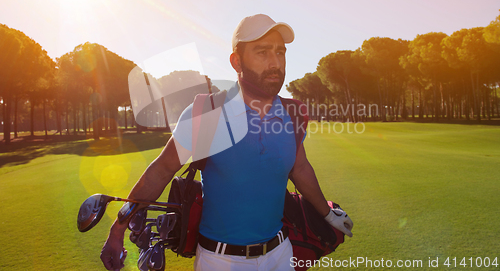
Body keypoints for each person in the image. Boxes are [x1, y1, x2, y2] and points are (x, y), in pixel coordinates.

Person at [100, 14, 353, 271]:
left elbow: (300, 169)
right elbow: (161, 170)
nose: (275, 62)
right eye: (262, 52)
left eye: (280, 52)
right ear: (236, 61)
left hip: (281, 255)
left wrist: (328, 214)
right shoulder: (206, 112)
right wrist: (118, 228)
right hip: (219, 260)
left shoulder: (293, 114)